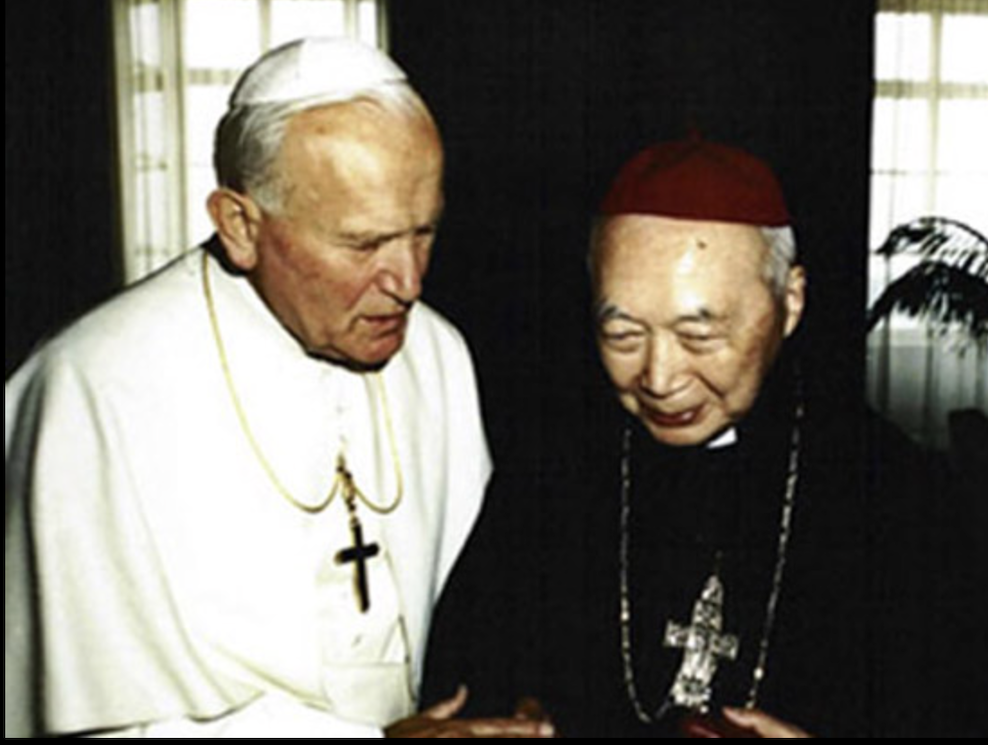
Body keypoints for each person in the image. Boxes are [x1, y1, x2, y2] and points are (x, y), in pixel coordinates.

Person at [4, 38, 555, 739]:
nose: (409, 282)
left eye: (424, 232)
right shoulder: (91, 390)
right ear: (240, 225)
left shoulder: (436, 354)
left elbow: (476, 622)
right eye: (363, 244)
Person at [422, 135, 984, 737]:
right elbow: (469, 682)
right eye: (623, 335)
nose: (659, 379)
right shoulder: (549, 478)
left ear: (790, 301)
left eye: (699, 336)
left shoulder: (902, 496)